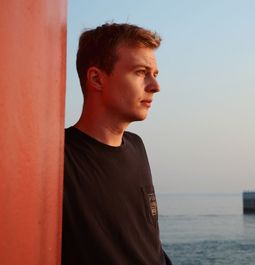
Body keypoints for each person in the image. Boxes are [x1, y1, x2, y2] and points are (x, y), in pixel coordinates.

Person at [62, 23, 172, 265]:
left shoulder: (136, 147)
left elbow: (149, 245)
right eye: (141, 72)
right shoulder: (59, 157)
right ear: (96, 78)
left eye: (155, 74)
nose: (155, 86)